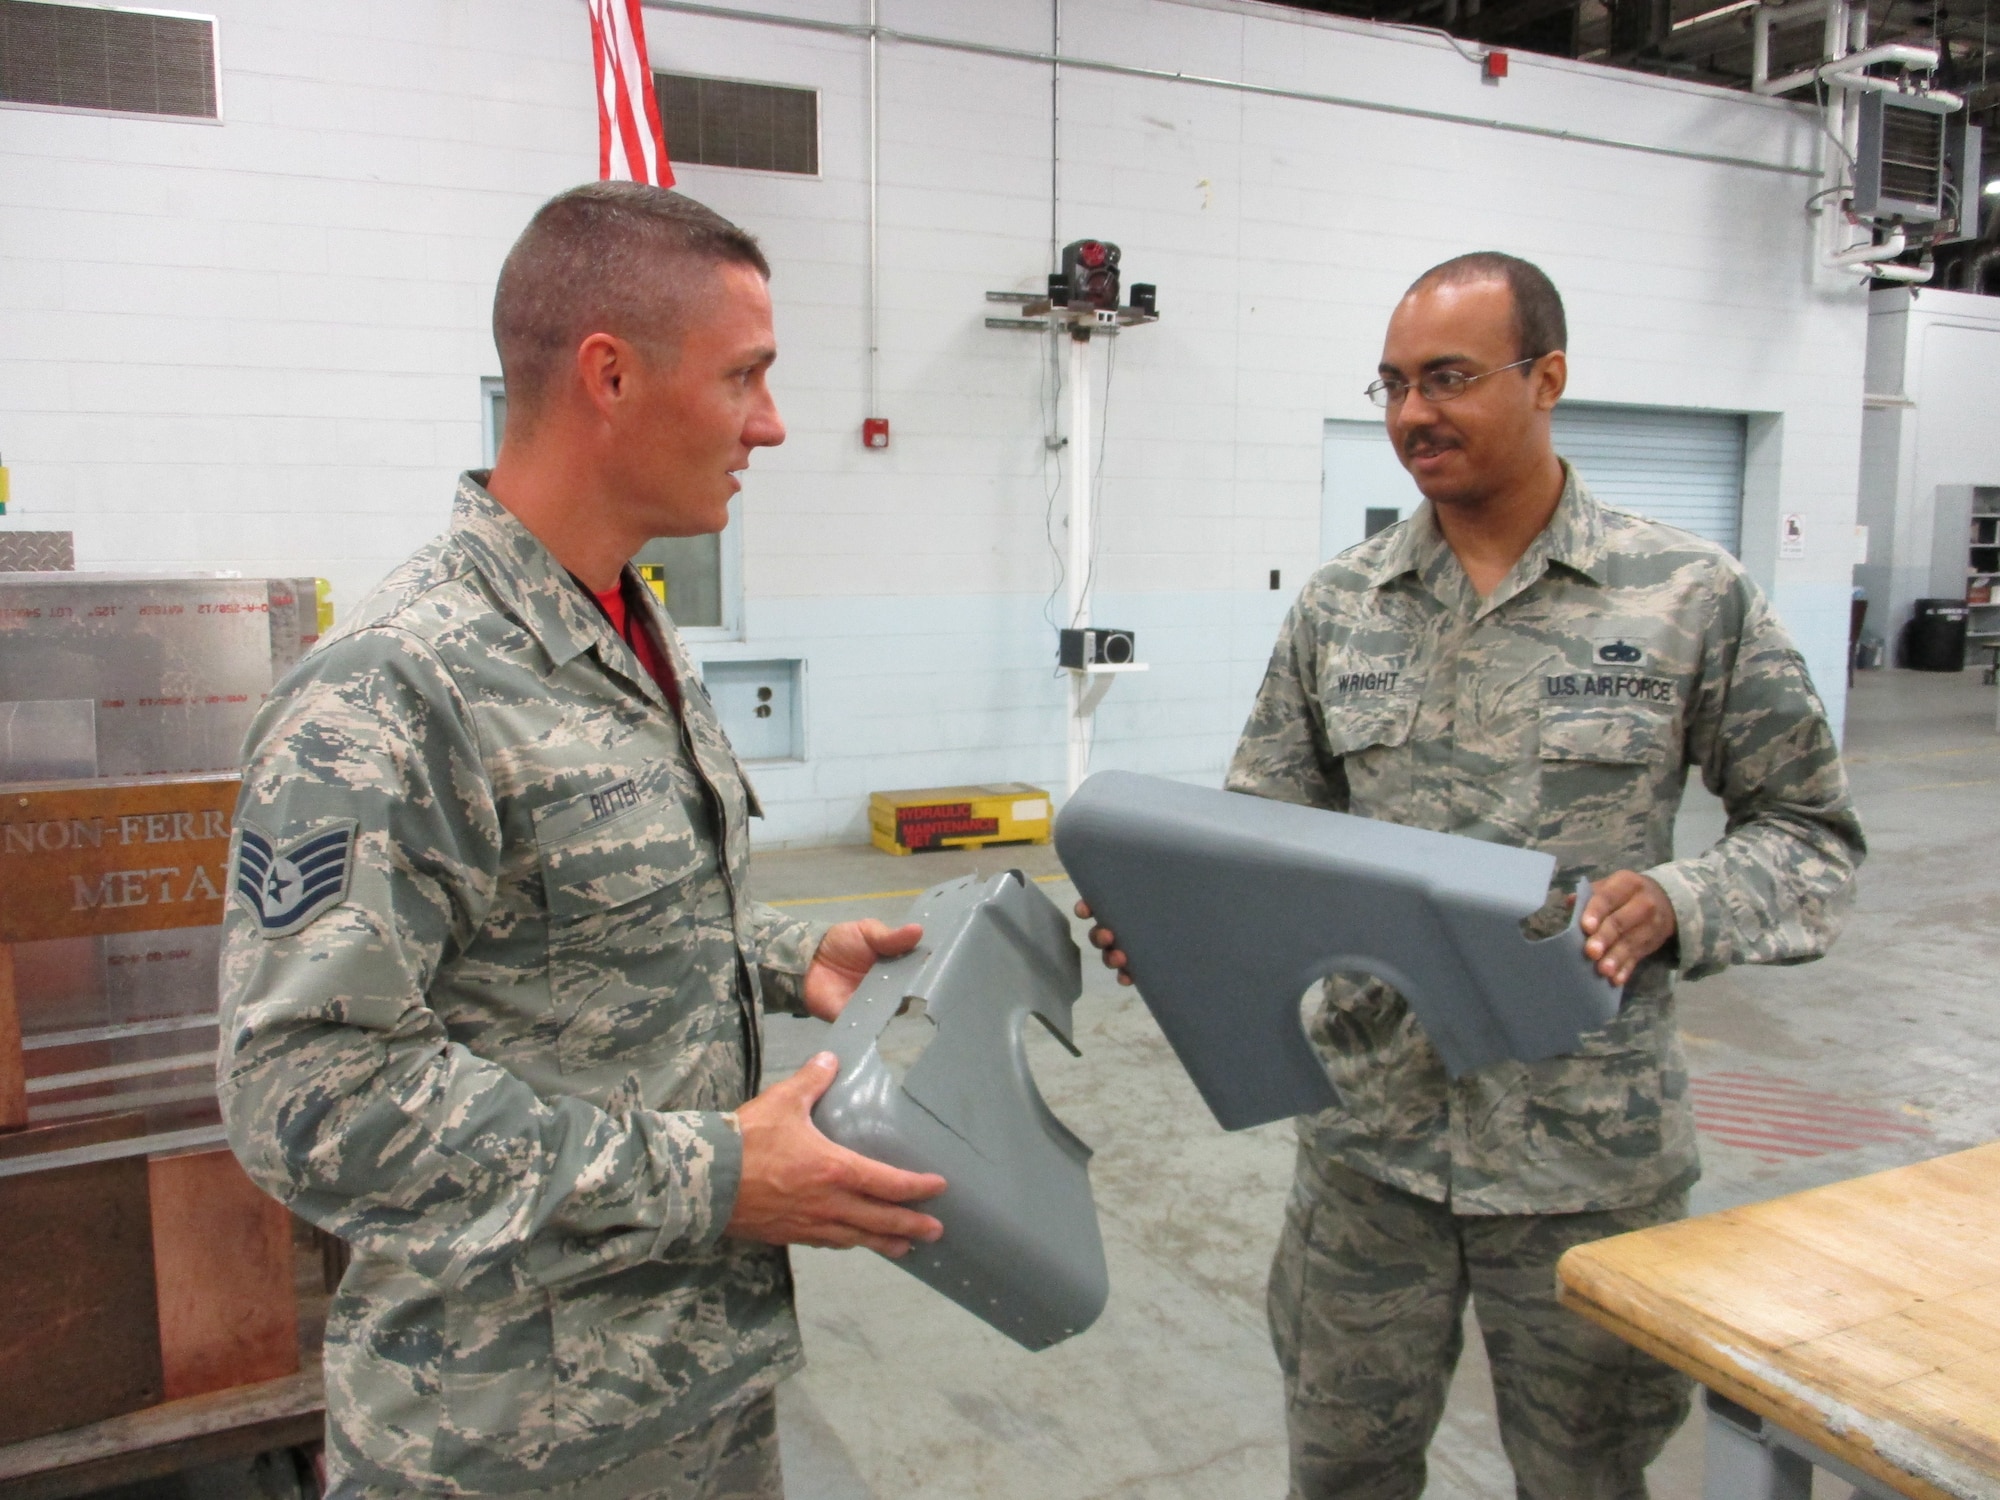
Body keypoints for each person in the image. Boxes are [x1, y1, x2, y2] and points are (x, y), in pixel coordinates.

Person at [1081, 252, 1864, 1499]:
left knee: (1584, 1477)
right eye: (1391, 384)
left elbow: (1808, 836)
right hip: (1369, 1151)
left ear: (1545, 378)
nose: (1409, 415)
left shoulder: (1686, 597)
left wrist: (1680, 900)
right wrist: (1174, 916)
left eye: (1446, 378)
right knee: (1341, 1470)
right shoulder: (1341, 607)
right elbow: (1262, 838)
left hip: (1583, 1160)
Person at [218, 183, 946, 1500]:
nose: (772, 425)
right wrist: (717, 1174)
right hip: (502, 1436)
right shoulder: (400, 683)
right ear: (611, 375)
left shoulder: (624, 624)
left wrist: (784, 954)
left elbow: (570, 924)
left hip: (691, 1392)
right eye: (747, 378)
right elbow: (308, 1100)